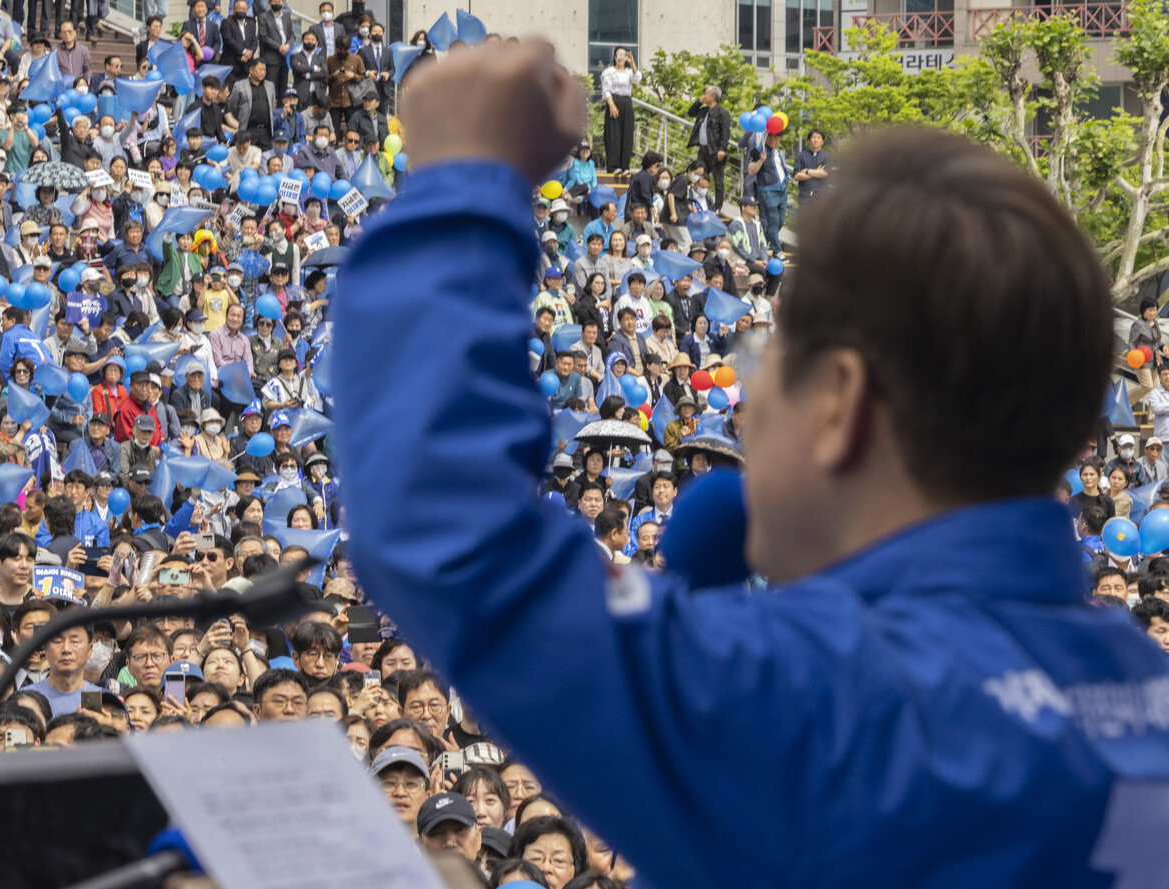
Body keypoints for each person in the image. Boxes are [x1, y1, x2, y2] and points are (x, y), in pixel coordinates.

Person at [332, 44, 1169, 888]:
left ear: (840, 401)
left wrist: (461, 185)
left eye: (764, 357)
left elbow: (444, 526)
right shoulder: (1146, 689)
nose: (746, 398)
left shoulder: (816, 693)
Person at [686, 86, 729, 213]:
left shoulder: (722, 113)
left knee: (718, 180)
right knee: (697, 174)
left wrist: (722, 148)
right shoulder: (704, 111)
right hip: (703, 149)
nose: (704, 96)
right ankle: (695, 199)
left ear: (713, 96)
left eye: (706, 94)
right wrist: (699, 102)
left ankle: (717, 207)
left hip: (715, 151)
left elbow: (725, 132)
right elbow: (690, 112)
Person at [748, 127, 789, 259]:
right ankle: (777, 251)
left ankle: (761, 243)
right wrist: (761, 160)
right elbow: (750, 170)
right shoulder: (758, 150)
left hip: (782, 190)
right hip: (767, 190)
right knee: (773, 220)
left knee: (780, 221)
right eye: (771, 137)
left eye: (777, 138)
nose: (774, 140)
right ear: (766, 136)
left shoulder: (779, 152)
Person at [599, 47, 639, 175]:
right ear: (614, 57)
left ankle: (625, 165)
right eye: (618, 55)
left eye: (624, 55)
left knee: (627, 133)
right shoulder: (608, 72)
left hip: (627, 101)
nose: (621, 58)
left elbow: (637, 80)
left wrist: (632, 63)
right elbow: (606, 90)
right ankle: (613, 165)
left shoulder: (629, 72)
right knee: (613, 134)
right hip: (614, 100)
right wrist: (611, 105)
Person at [793, 128, 831, 206]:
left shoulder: (827, 156)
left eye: (819, 138)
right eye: (813, 137)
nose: (816, 140)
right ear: (809, 140)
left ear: (822, 142)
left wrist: (807, 171)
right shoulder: (801, 156)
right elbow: (796, 176)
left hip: (822, 196)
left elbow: (825, 174)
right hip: (805, 197)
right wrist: (816, 173)